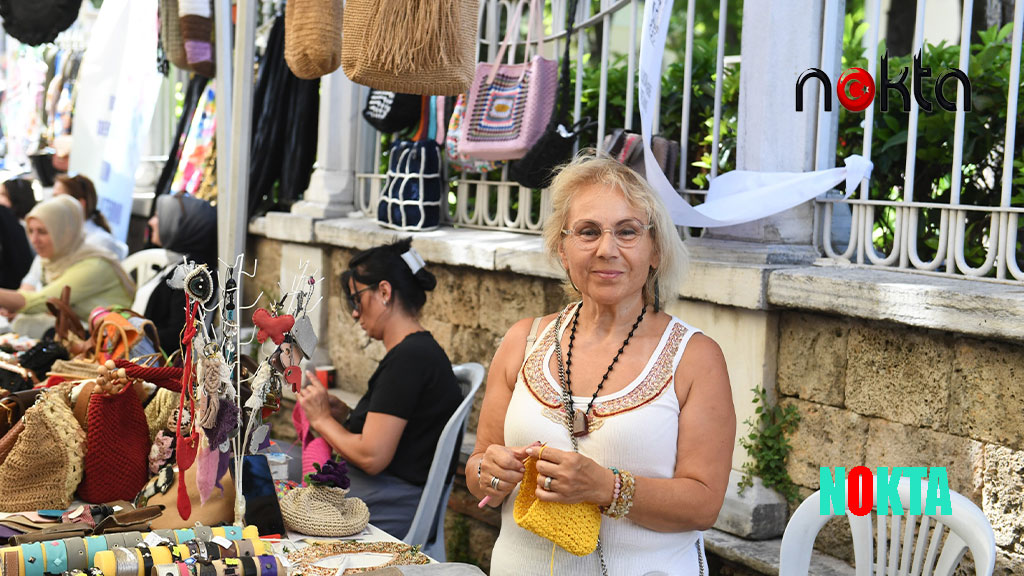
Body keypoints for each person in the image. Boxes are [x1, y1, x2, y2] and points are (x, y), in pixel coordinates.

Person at [468, 154, 736, 574]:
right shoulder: (523, 341)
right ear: (562, 247)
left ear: (655, 251)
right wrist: (488, 471)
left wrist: (607, 488)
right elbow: (480, 461)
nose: (607, 249)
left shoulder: (695, 358)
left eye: (627, 232)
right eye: (588, 232)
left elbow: (704, 504)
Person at [296, 238, 463, 538]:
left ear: (384, 292)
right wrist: (344, 414)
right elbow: (401, 430)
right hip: (381, 492)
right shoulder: (414, 354)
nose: (355, 313)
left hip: (389, 503)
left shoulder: (411, 358)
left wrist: (321, 420)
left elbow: (372, 457)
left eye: (355, 300)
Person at [0, 196, 135, 334]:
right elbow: (30, 291)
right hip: (84, 327)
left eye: (42, 232)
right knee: (22, 323)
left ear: (63, 232)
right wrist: (12, 306)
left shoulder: (93, 264)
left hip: (110, 338)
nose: (34, 240)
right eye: (30, 231)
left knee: (26, 325)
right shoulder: (53, 257)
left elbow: (43, 302)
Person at [137, 192, 218, 354]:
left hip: (157, 367)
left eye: (158, 216)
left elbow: (178, 337)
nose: (151, 222)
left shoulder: (193, 275)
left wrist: (132, 334)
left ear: (182, 226)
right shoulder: (178, 263)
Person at [53, 174, 128, 259]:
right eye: (53, 197)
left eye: (58, 198)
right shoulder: (55, 237)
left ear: (80, 204)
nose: (51, 204)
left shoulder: (99, 242)